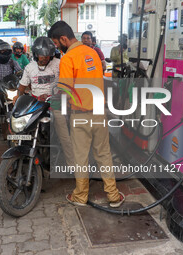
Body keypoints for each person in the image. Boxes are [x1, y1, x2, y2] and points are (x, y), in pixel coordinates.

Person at [48, 21, 125, 208]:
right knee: (104, 154)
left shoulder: (68, 59)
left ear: (64, 38)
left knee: (80, 157)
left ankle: (81, 196)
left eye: (57, 43)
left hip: (80, 116)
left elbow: (66, 91)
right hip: (99, 112)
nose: (57, 47)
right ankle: (113, 196)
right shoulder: (92, 53)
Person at [13, 36, 75, 167]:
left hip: (56, 101)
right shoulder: (29, 68)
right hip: (36, 103)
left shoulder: (59, 63)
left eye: (48, 55)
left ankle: (72, 165)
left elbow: (68, 82)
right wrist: (18, 97)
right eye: (42, 55)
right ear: (36, 54)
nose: (45, 57)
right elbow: (22, 87)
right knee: (22, 129)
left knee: (63, 132)